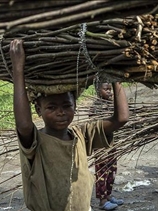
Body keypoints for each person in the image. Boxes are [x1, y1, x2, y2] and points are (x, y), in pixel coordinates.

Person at [10, 39, 130, 211]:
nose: (61, 112)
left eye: (67, 106)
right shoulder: (36, 142)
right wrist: (18, 70)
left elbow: (121, 119)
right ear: (38, 109)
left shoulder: (82, 134)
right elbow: (23, 125)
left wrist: (115, 77)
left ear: (75, 104)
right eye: (52, 107)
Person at [91, 82, 124, 210]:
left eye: (110, 89)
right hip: (101, 144)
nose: (109, 92)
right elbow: (94, 126)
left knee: (112, 170)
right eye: (106, 89)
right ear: (99, 91)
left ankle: (109, 195)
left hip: (111, 143)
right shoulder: (96, 107)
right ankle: (102, 201)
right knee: (102, 172)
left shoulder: (111, 105)